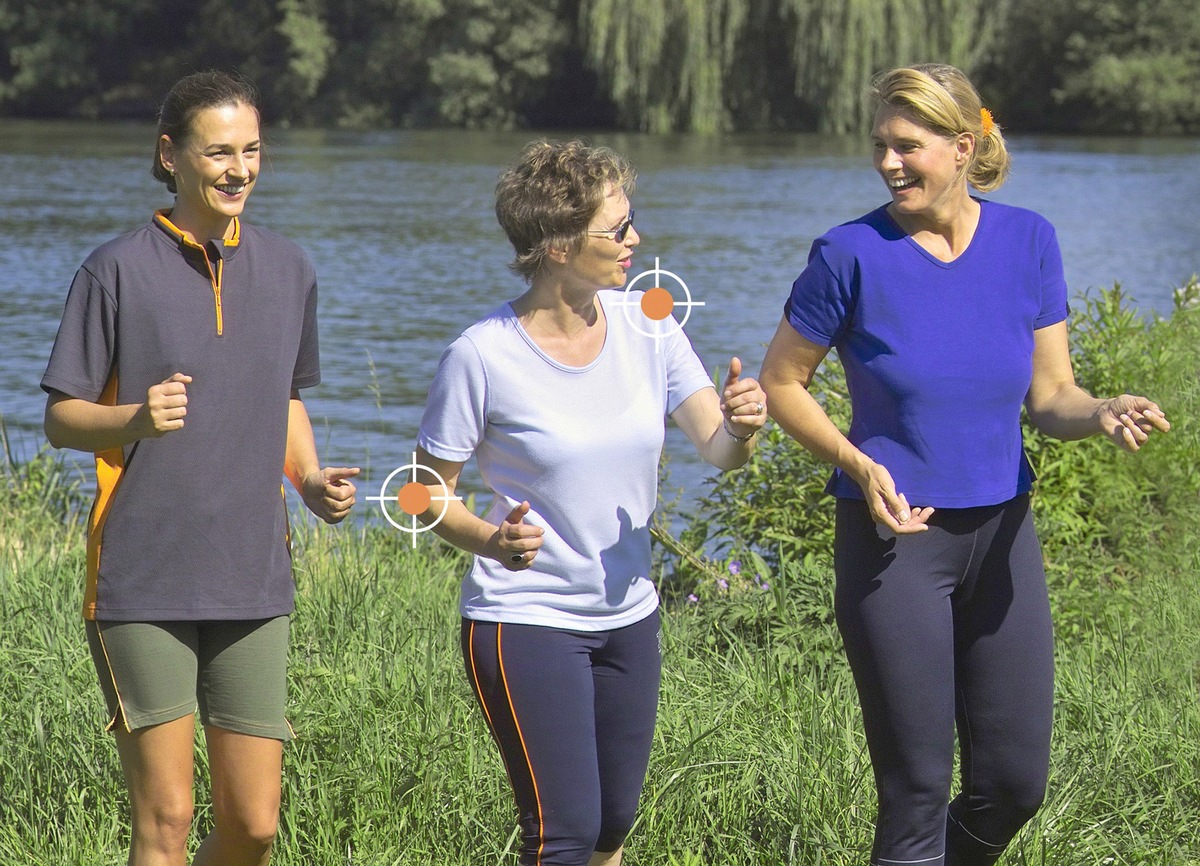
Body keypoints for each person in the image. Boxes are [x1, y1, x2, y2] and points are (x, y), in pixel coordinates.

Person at [759, 64, 1170, 866]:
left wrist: (1102, 410)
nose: (888, 163)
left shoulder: (1028, 240)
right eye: (879, 145)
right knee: (914, 794)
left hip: (1003, 533)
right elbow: (782, 381)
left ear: (962, 146)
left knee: (1014, 785)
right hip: (897, 544)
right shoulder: (849, 254)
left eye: (907, 146)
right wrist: (856, 461)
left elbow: (1052, 396)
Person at [412, 139, 767, 866]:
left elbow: (720, 450)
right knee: (564, 833)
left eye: (631, 221)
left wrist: (743, 425)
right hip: (526, 623)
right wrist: (489, 539)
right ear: (559, 246)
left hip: (630, 619)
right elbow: (421, 494)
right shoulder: (482, 355)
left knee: (612, 825)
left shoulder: (652, 327)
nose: (635, 240)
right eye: (618, 229)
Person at [41, 71, 359, 866]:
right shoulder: (113, 270)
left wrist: (311, 478)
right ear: (169, 156)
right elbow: (60, 419)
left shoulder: (291, 270)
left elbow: (282, 397)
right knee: (168, 820)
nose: (238, 169)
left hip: (253, 579)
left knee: (254, 824)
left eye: (251, 150)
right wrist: (136, 420)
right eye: (218, 151)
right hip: (140, 580)